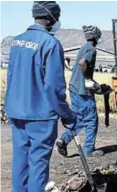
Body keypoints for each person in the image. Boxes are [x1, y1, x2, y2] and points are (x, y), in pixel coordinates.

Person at [4, 1, 76, 191]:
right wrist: (67, 115)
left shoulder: (17, 41)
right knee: (38, 163)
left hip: (16, 110)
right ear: (51, 18)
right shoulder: (50, 44)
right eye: (57, 17)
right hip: (40, 115)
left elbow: (11, 77)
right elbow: (54, 87)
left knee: (21, 160)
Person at [56, 25, 104, 157]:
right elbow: (83, 63)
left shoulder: (83, 47)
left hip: (74, 88)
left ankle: (63, 140)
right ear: (96, 37)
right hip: (83, 91)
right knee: (91, 120)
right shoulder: (91, 49)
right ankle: (89, 149)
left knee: (80, 118)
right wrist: (89, 79)